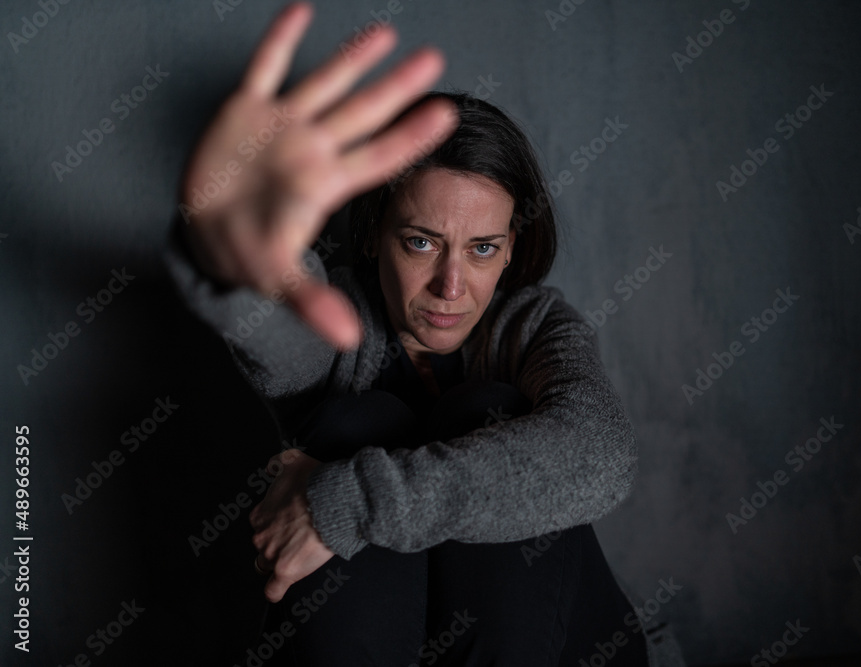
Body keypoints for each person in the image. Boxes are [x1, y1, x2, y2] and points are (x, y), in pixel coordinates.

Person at [165, 3, 682, 665]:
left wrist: (348, 501)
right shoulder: (339, 324)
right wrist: (231, 246)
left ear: (511, 248)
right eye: (420, 242)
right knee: (362, 420)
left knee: (485, 410)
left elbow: (599, 454)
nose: (450, 285)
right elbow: (274, 325)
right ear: (375, 236)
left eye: (483, 248)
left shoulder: (532, 326)